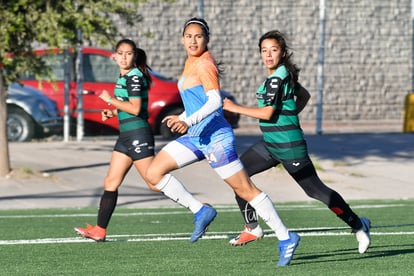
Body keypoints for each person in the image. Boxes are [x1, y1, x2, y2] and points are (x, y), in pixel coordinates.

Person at [144, 18, 300, 266]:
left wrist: (188, 120)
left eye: (198, 36)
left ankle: (286, 236)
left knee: (245, 190)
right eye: (189, 36)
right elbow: (197, 101)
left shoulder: (205, 64)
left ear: (207, 39)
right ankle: (201, 210)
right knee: (153, 173)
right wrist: (183, 117)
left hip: (215, 137)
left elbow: (215, 101)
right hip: (196, 135)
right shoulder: (190, 61)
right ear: (183, 38)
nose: (193, 40)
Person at [222, 30, 371, 254]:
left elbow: (267, 113)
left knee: (316, 191)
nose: (268, 55)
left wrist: (234, 108)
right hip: (270, 144)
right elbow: (304, 96)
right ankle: (252, 227)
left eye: (273, 50)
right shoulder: (284, 74)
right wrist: (289, 116)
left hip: (289, 147)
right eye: (264, 51)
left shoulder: (277, 78)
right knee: (238, 175)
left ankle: (359, 225)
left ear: (282, 52)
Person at [74, 39, 156, 242]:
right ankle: (100, 230)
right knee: (111, 181)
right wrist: (113, 111)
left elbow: (136, 109)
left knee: (154, 182)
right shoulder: (124, 75)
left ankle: (199, 209)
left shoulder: (134, 77)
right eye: (120, 53)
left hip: (137, 134)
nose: (124, 57)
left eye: (128, 53)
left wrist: (109, 100)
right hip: (126, 136)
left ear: (134, 56)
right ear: (114, 56)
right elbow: (130, 105)